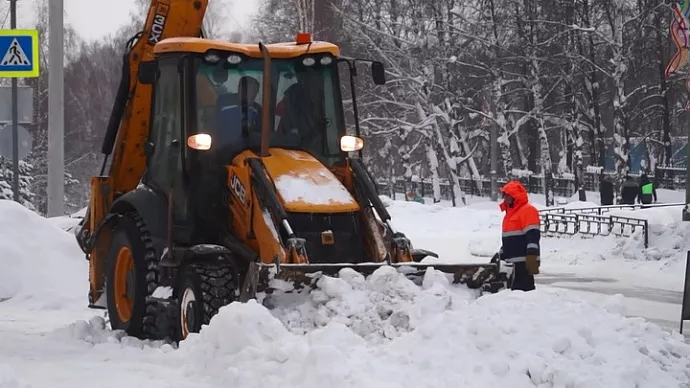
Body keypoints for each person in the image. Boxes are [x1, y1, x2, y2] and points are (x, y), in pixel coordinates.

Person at [497, 180, 541, 291]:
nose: (505, 199)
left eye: (507, 196)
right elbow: (510, 239)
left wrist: (532, 256)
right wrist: (501, 254)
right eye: (504, 196)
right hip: (512, 264)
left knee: (524, 293)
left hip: (524, 262)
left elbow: (533, 235)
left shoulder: (527, 211)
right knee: (515, 295)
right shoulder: (509, 215)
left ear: (515, 196)